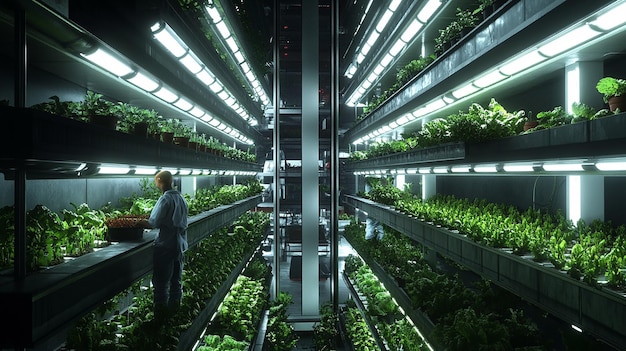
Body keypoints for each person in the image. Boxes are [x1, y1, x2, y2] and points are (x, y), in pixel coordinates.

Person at [142, 170, 189, 320]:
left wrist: (138, 222)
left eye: (156, 180)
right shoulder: (181, 198)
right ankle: (175, 313)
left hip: (165, 245)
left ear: (160, 180)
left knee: (161, 283)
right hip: (179, 245)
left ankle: (161, 317)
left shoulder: (165, 200)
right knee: (176, 281)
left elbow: (153, 222)